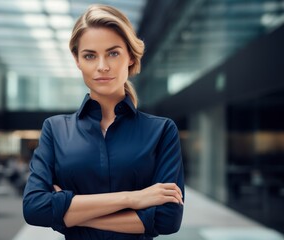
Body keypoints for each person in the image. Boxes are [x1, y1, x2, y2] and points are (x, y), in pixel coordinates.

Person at [23, 4, 184, 240]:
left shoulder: (161, 131)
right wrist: (132, 199)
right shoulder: (55, 129)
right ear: (77, 60)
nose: (102, 66)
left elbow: (168, 219)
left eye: (113, 53)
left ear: (130, 56)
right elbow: (35, 209)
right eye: (89, 55)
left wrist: (67, 214)